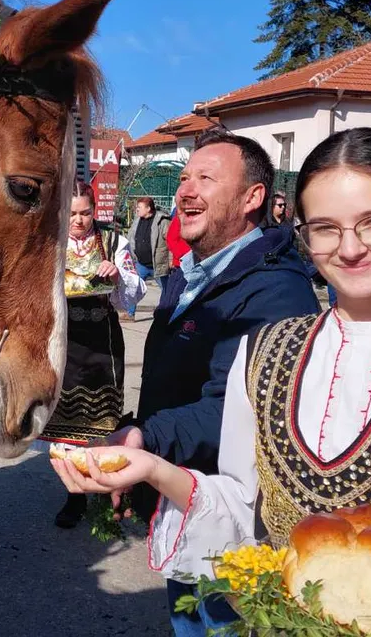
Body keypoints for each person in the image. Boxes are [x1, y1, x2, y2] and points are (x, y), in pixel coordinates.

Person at [56, 126, 371, 633]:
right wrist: (151, 466)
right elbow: (242, 509)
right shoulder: (265, 350)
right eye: (325, 228)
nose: (350, 248)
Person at [107, 125, 319, 634]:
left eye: (206, 177)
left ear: (253, 198)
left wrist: (146, 438)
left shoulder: (276, 293)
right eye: (184, 178)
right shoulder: (190, 274)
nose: (185, 190)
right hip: (188, 498)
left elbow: (232, 407)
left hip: (240, 525)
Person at [41, 180, 144, 528]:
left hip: (103, 341)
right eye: (71, 213)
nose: (79, 220)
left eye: (85, 212)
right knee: (68, 428)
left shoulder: (114, 242)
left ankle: (108, 493)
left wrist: (117, 276)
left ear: (94, 209)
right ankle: (74, 498)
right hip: (66, 343)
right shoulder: (51, 244)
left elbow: (134, 291)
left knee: (102, 423)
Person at [127, 196, 173, 297]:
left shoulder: (162, 221)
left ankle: (168, 310)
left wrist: (171, 259)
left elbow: (172, 241)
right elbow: (131, 237)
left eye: (139, 207)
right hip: (140, 264)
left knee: (166, 291)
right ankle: (130, 312)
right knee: (133, 289)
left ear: (148, 209)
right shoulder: (137, 220)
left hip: (158, 265)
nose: (137, 209)